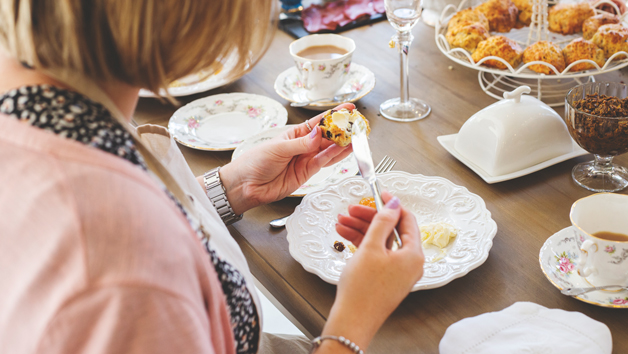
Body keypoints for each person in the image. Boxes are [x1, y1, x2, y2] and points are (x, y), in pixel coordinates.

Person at [0, 1, 425, 353]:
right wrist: (353, 323)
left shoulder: (38, 108)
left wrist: (231, 189)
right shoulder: (123, 269)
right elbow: (133, 256)